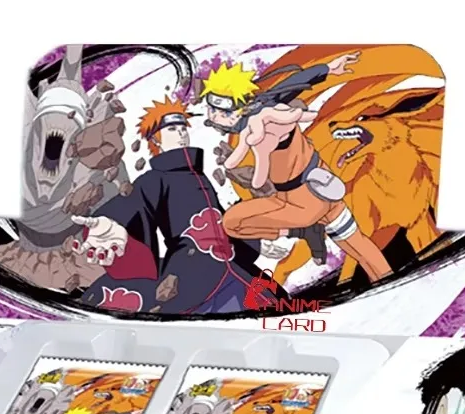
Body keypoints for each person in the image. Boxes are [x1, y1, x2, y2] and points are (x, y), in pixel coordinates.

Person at [70, 96, 283, 314]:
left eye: (183, 128)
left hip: (228, 264)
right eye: (171, 129)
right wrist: (111, 223)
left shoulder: (200, 176)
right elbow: (130, 204)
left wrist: (249, 215)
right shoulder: (154, 179)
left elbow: (216, 218)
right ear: (156, 140)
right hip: (189, 272)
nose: (181, 134)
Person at [201, 56, 392, 281]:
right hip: (323, 184)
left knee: (232, 223)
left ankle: (302, 230)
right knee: (357, 244)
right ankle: (387, 277)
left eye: (223, 113)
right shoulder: (266, 104)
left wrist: (251, 160)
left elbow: (258, 180)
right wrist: (327, 68)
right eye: (212, 110)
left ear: (241, 109)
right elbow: (292, 83)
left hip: (300, 204)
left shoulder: (263, 126)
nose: (215, 118)